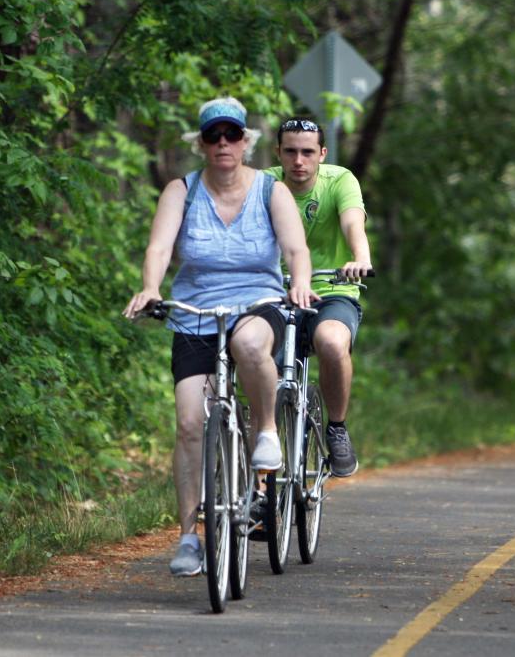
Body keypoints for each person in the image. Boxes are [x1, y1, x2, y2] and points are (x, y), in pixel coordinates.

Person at [123, 97, 316, 577]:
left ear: (246, 141)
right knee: (190, 423)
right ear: (202, 144)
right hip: (196, 314)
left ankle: (267, 431)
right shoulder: (181, 191)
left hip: (257, 306)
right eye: (214, 136)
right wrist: (150, 288)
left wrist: (299, 282)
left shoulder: (271, 192)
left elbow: (296, 248)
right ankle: (189, 537)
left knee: (250, 346)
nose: (223, 144)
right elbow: (159, 246)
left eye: (232, 135)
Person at [265, 117, 372, 478]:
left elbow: (352, 222)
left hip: (332, 288)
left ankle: (336, 427)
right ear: (278, 152)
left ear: (321, 154)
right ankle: (255, 473)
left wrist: (360, 259)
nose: (299, 160)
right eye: (290, 151)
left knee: (330, 341)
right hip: (276, 291)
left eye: (308, 152)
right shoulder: (263, 183)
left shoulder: (339, 180)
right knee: (255, 356)